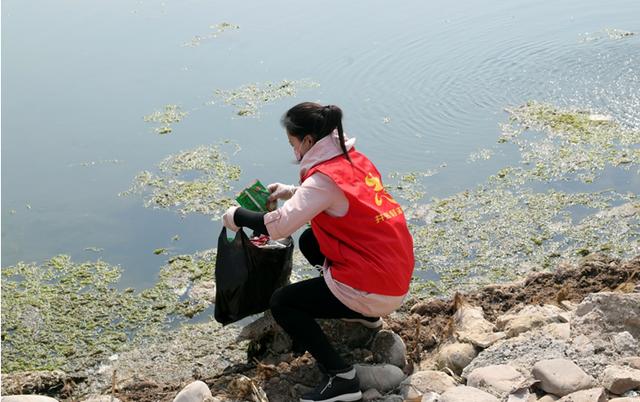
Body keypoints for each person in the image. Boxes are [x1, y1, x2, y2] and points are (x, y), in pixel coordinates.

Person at [222, 102, 414, 402]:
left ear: (308, 141)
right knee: (312, 240)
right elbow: (333, 199)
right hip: (393, 274)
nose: (293, 151)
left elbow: (280, 227)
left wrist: (238, 216)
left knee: (283, 303)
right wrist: (290, 191)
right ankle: (366, 318)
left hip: (375, 287)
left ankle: (342, 378)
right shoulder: (353, 160)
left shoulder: (322, 179)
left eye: (293, 143)